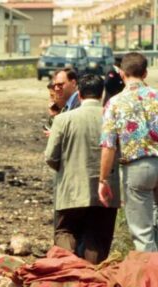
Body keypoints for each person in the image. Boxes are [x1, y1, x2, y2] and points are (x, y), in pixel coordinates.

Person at [98, 52, 158, 253]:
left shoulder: (115, 104)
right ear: (145, 73)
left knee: (142, 230)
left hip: (137, 168)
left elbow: (108, 145)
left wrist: (103, 180)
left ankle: (153, 274)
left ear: (121, 73)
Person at [44, 74, 119, 264]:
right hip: (107, 191)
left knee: (65, 231)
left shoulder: (63, 119)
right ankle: (92, 279)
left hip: (71, 190)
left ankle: (67, 274)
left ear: (79, 95)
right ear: (102, 94)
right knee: (97, 238)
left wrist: (66, 171)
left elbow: (50, 157)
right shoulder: (114, 118)